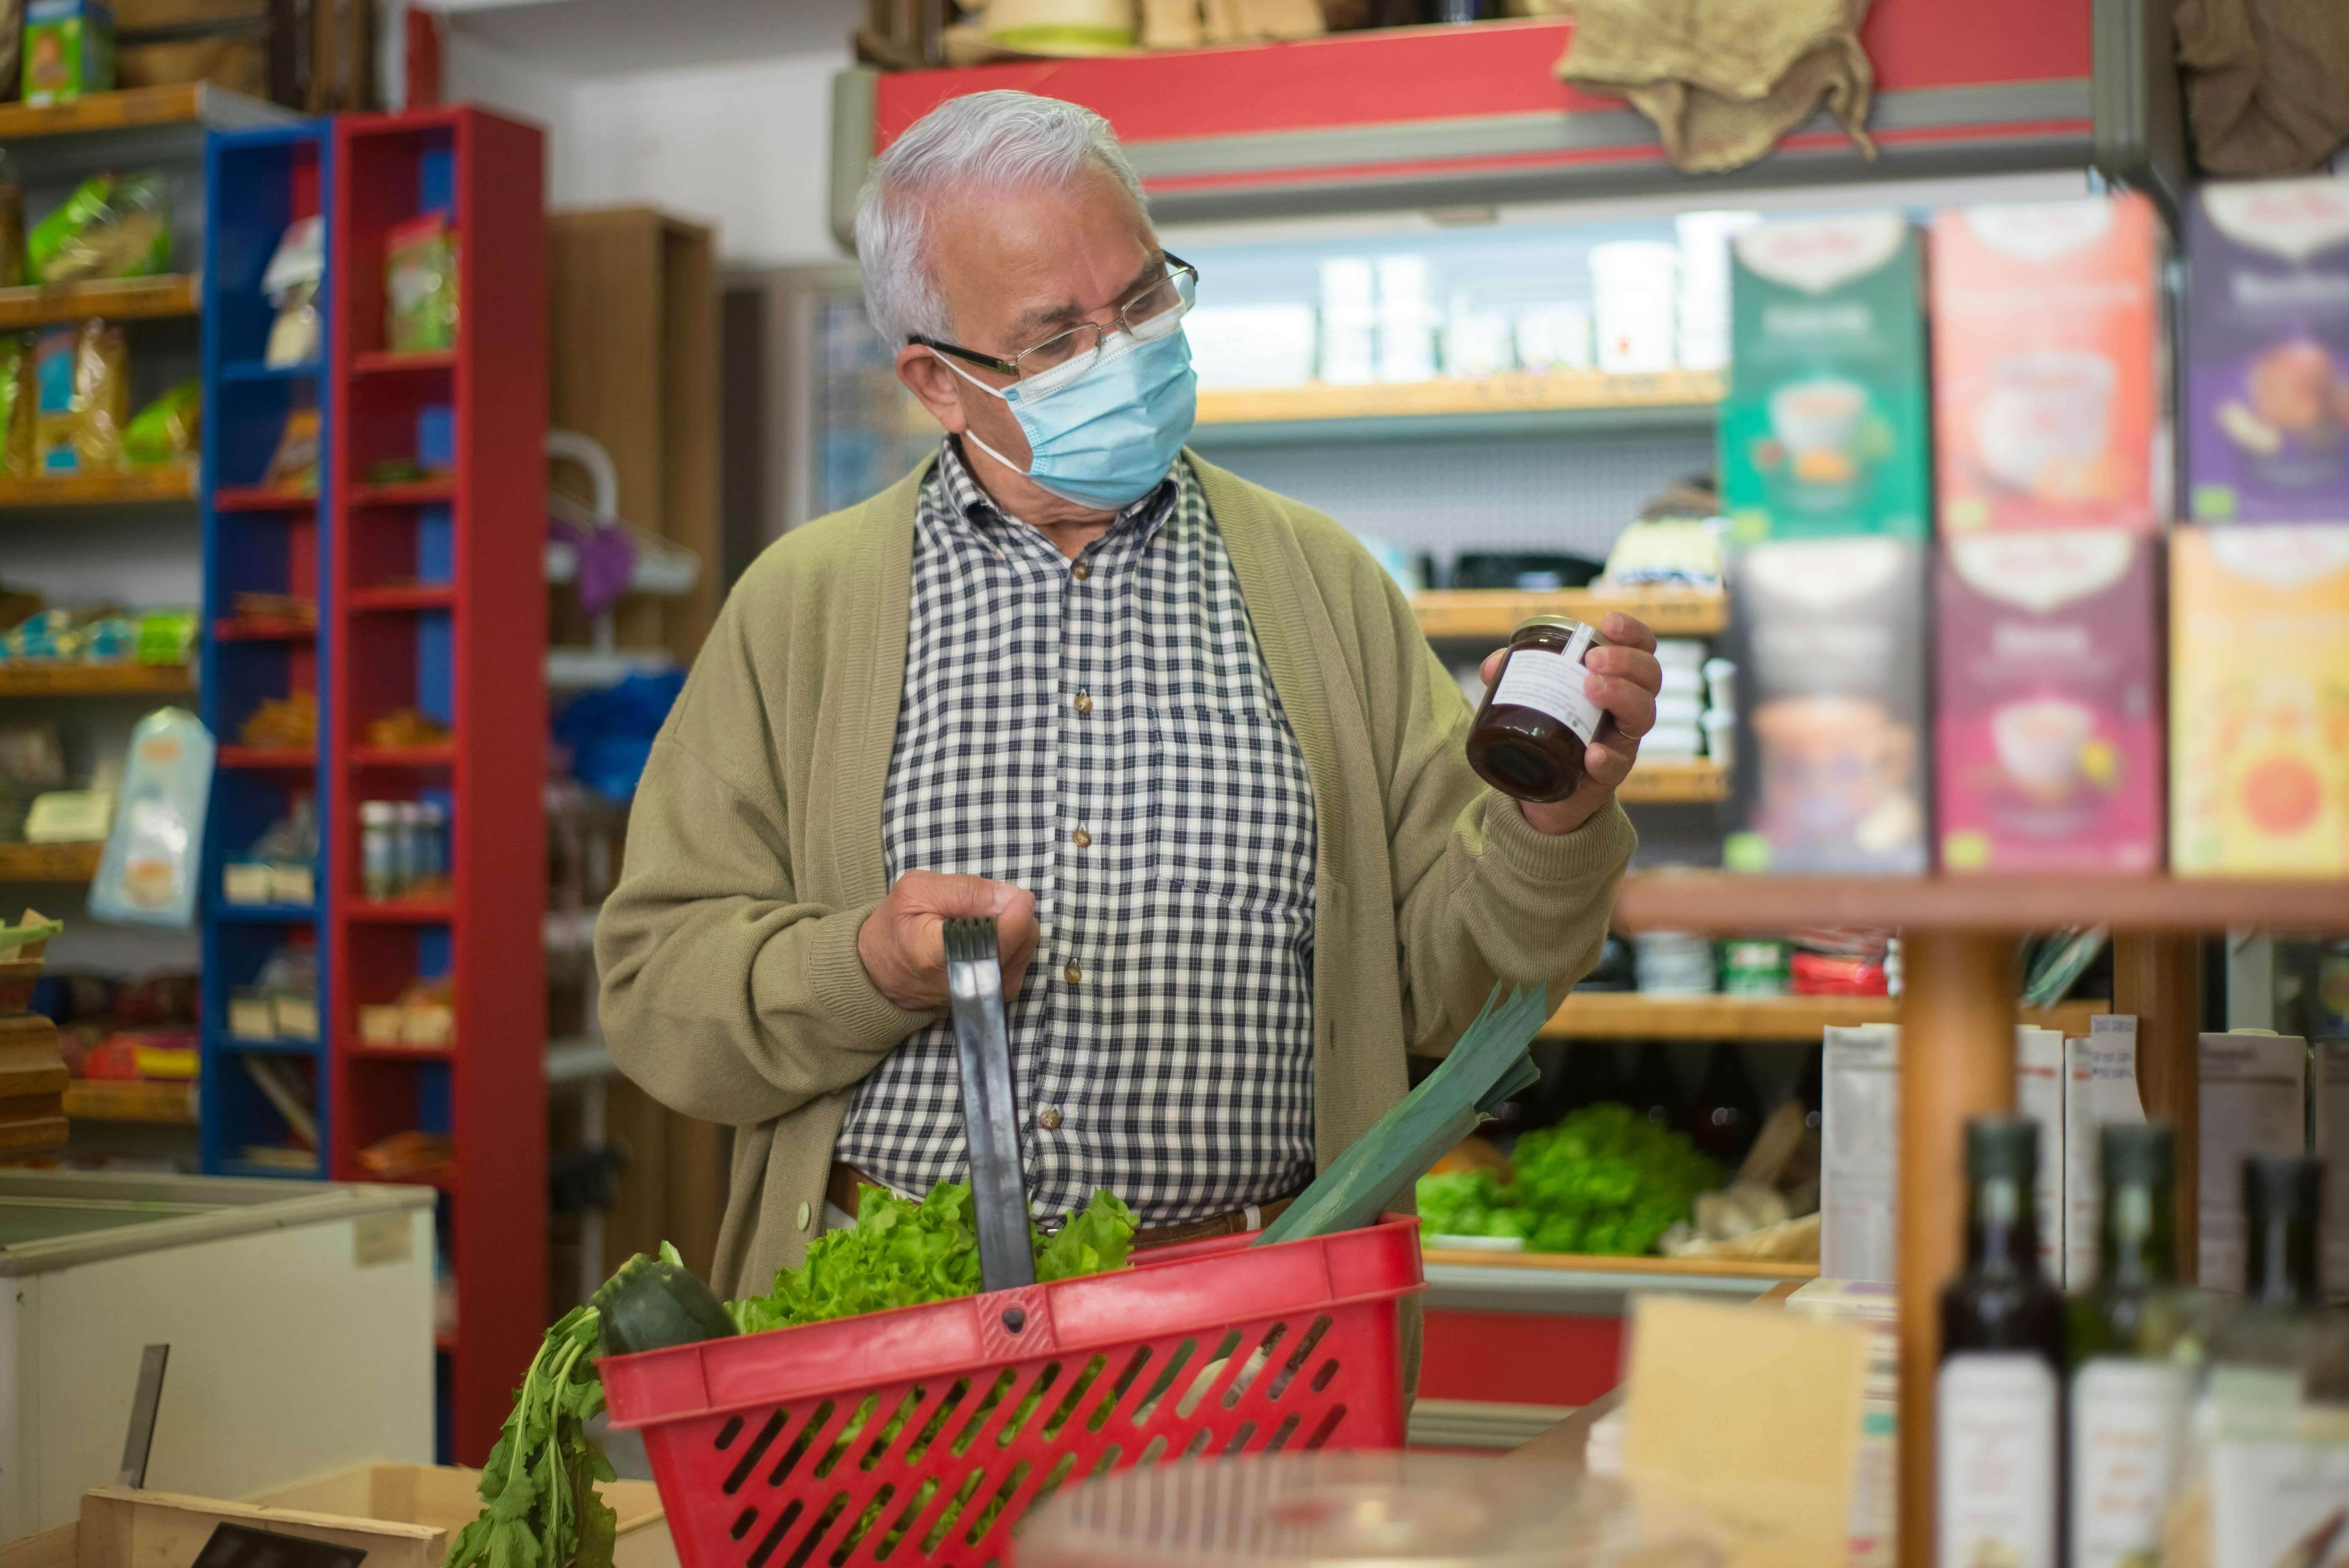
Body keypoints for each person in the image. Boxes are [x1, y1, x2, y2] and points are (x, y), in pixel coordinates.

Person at [595, 89, 1661, 1300]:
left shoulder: (1322, 585)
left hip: (1252, 1331)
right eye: (1055, 340)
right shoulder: (802, 607)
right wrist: (866, 967)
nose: (1124, 356)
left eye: (1145, 300)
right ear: (939, 383)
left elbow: (1448, 984)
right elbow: (656, 992)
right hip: (891, 1322)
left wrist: (1547, 822)